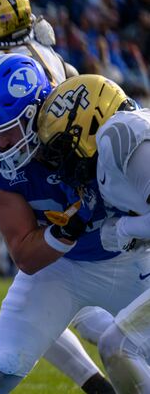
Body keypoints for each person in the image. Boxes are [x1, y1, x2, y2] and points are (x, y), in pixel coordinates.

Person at [0, 54, 149, 393]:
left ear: (36, 114)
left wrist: (122, 228)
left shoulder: (100, 126)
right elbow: (25, 256)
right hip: (63, 268)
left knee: (126, 351)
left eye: (5, 130)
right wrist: (72, 224)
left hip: (133, 258)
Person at [35, 75, 150, 393]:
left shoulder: (121, 135)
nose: (62, 160)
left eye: (64, 144)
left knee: (119, 344)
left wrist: (124, 229)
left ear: (90, 121)